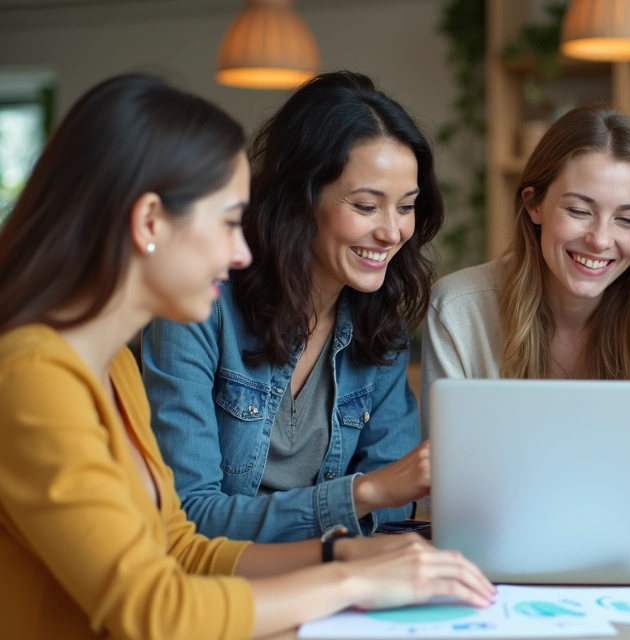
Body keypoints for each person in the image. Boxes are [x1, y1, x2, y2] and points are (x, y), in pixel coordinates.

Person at [0, 73, 494, 640]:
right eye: (230, 222)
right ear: (150, 223)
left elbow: (182, 546)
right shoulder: (32, 376)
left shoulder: (114, 369)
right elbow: (153, 609)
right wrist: (351, 583)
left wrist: (342, 560)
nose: (241, 251)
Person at [142, 71, 437, 542]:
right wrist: (362, 494)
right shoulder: (199, 309)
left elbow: (393, 510)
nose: (391, 232)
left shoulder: (380, 326)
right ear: (299, 199)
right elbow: (190, 515)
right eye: (366, 206)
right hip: (222, 587)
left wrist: (376, 498)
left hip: (332, 583)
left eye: (405, 206)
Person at [422, 105, 630, 413]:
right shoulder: (457, 309)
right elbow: (444, 457)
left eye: (627, 220)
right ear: (534, 204)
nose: (600, 240)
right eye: (578, 211)